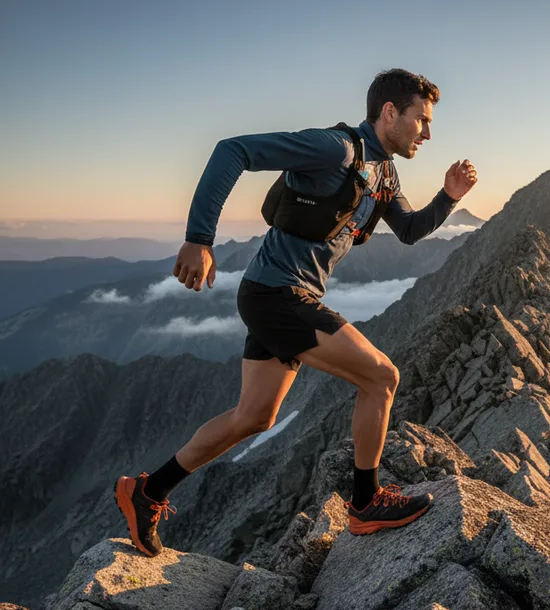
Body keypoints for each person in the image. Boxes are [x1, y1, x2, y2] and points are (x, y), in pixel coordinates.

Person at [114, 68, 477, 557]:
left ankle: (148, 492)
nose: (428, 133)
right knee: (381, 378)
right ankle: (366, 504)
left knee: (254, 417)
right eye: (422, 120)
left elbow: (409, 230)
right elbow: (232, 150)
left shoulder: (383, 172)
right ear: (390, 112)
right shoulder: (336, 149)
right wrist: (199, 238)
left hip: (276, 294)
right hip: (278, 296)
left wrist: (449, 196)